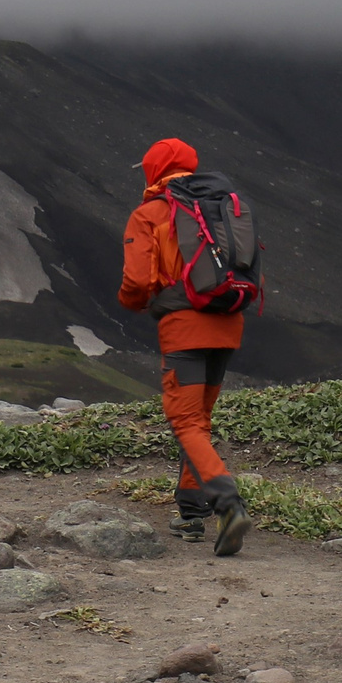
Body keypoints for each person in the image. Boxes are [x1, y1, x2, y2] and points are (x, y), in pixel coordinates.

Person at [118, 136, 249, 555]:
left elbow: (138, 282)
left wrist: (135, 303)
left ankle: (228, 504)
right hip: (228, 322)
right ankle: (191, 514)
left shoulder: (151, 213)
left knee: (186, 422)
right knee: (200, 421)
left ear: (155, 170)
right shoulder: (222, 207)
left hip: (185, 328)